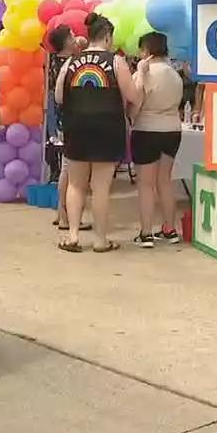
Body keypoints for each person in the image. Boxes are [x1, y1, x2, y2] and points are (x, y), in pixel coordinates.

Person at [55, 13, 141, 254]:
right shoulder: (116, 62)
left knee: (76, 184)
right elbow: (133, 95)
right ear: (107, 36)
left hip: (76, 127)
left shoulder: (70, 63)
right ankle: (101, 239)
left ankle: (72, 236)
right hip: (107, 127)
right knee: (101, 187)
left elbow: (59, 97)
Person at [129, 32, 184, 247]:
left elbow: (136, 103)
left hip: (147, 129)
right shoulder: (174, 74)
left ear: (146, 51)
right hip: (173, 129)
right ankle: (170, 228)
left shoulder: (144, 73)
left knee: (145, 183)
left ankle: (145, 232)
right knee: (165, 180)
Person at [46, 25, 92, 234]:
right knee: (69, 170)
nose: (76, 38)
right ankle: (66, 216)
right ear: (65, 41)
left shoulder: (54, 62)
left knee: (66, 167)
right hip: (70, 120)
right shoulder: (70, 65)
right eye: (72, 36)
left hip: (61, 121)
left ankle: (61, 212)